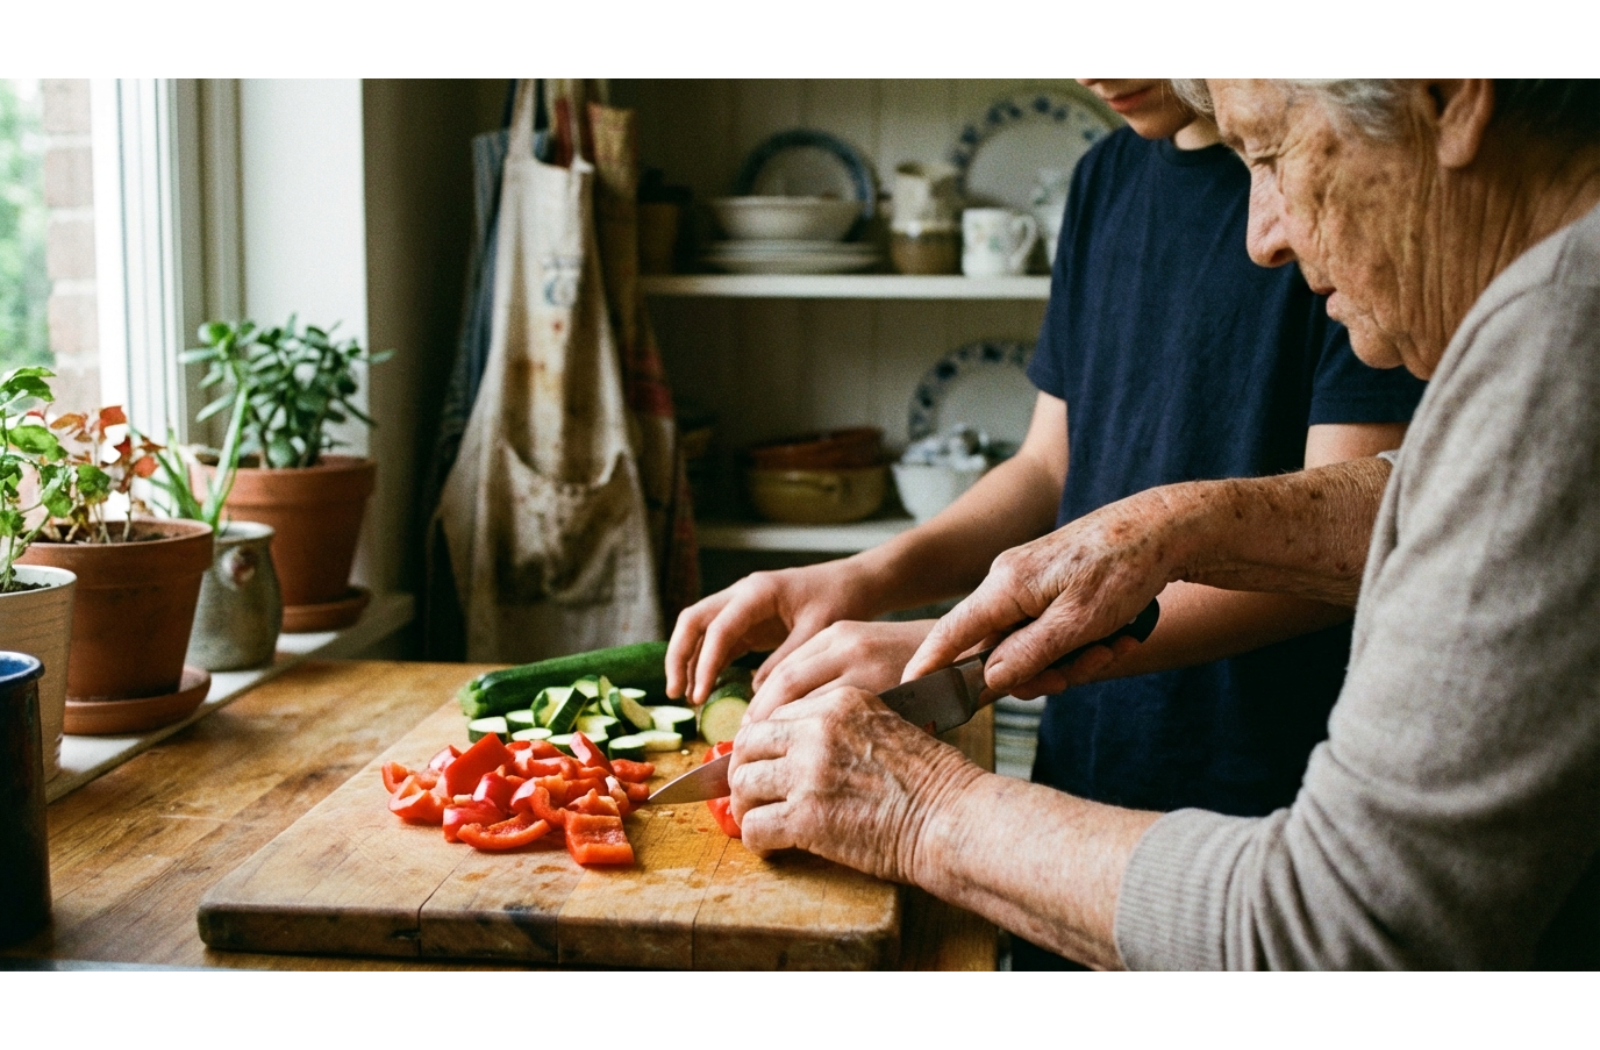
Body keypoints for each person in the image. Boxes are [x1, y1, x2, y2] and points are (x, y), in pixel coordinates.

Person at [731, 78, 1600, 968]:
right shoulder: (1549, 308)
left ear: (1451, 96)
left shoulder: (1560, 351)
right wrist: (1179, 523)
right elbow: (1434, 499)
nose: (1261, 235)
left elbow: (1340, 934)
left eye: (1267, 153)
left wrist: (918, 810)